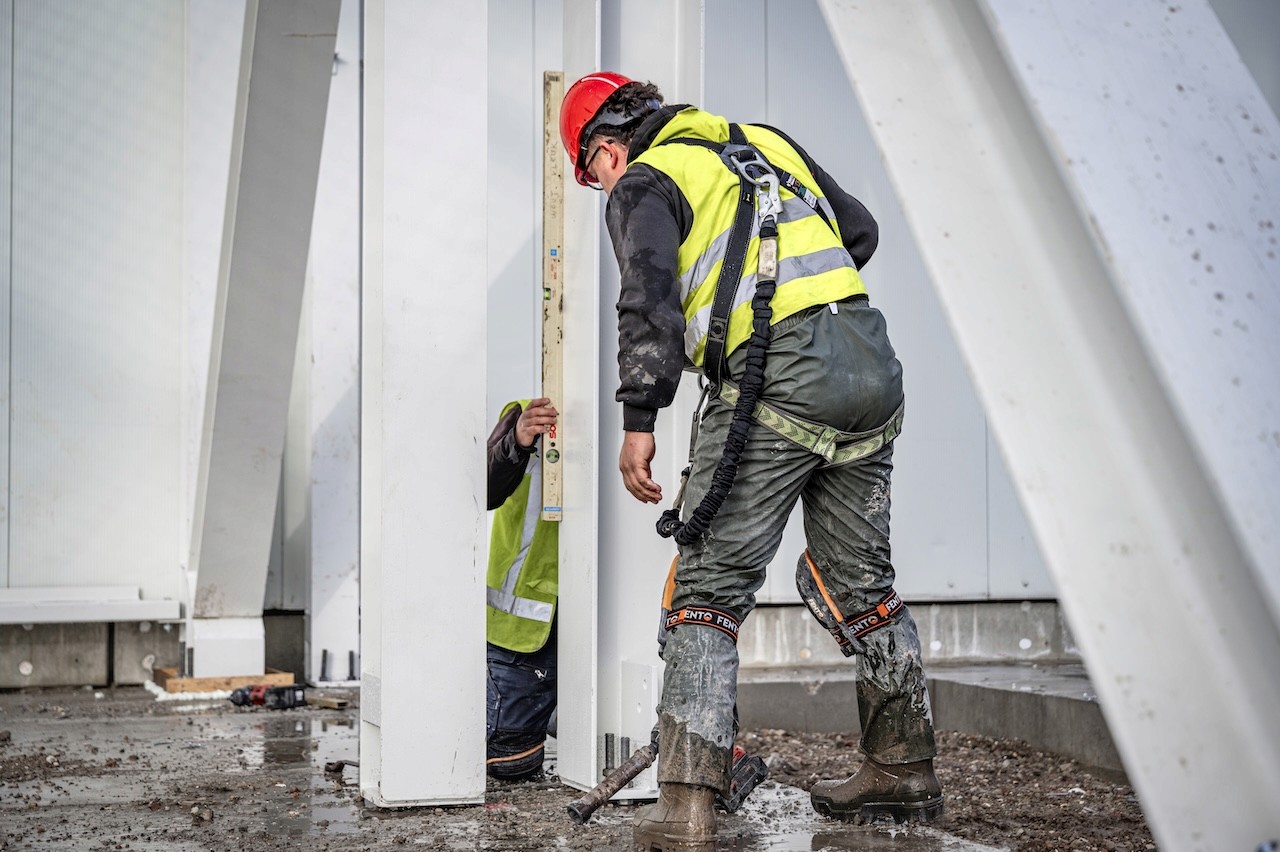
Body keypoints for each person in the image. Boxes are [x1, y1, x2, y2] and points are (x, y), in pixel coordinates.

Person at [559, 72, 943, 850]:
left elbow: (650, 296)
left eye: (589, 171)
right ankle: (902, 769)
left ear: (604, 146)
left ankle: (686, 806)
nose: (600, 185)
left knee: (708, 588)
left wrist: (641, 417)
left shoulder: (644, 180)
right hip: (869, 364)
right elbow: (858, 231)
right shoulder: (761, 143)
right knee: (861, 584)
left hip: (777, 377)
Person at [485, 397, 560, 780]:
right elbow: (484, 488)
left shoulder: (639, 427)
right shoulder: (521, 413)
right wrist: (517, 440)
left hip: (588, 620)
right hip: (522, 630)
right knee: (510, 764)